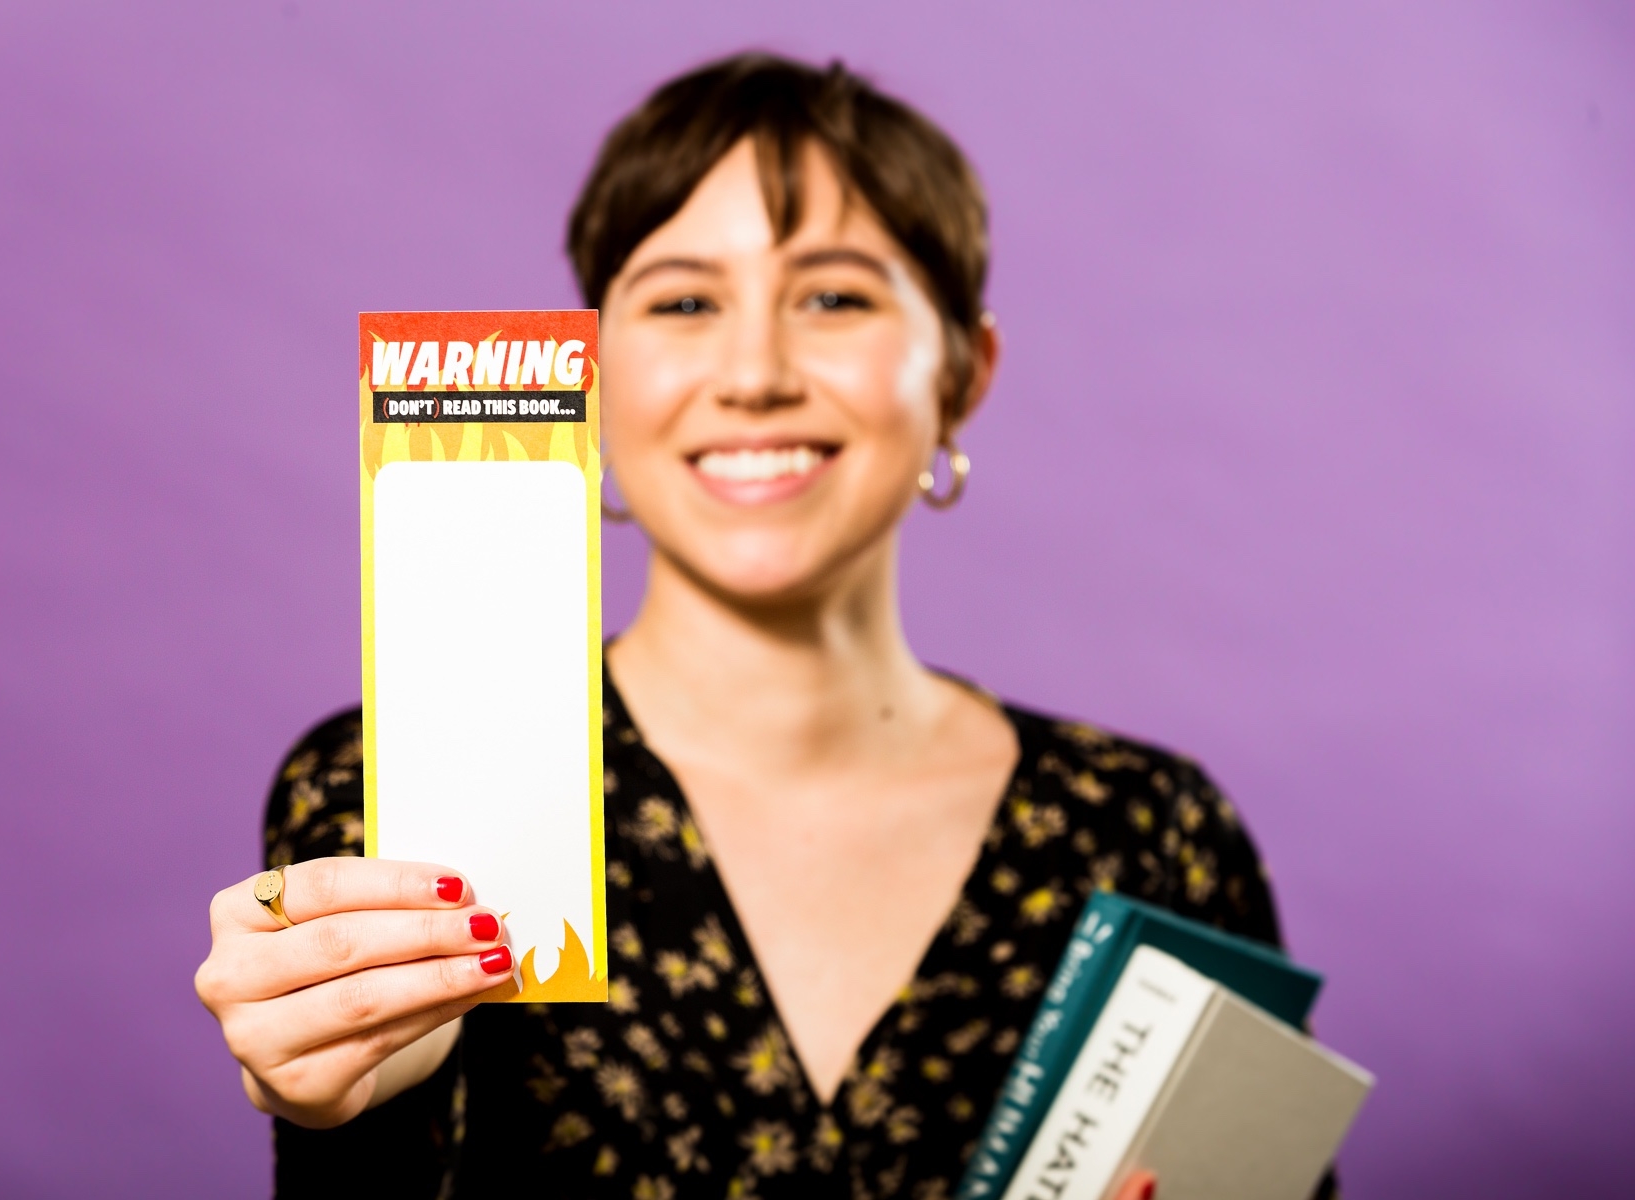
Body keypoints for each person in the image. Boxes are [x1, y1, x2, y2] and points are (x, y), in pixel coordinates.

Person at [195, 54, 1315, 1200]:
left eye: (835, 297)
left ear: (963, 375)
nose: (754, 372)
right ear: (595, 378)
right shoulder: (386, 785)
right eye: (683, 302)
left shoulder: (1153, 832)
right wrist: (352, 1084)